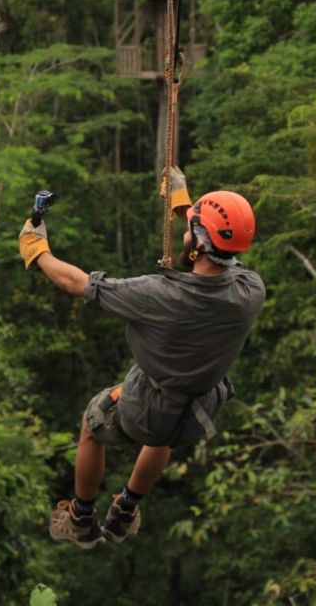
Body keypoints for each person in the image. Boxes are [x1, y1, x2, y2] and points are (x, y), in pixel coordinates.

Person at [18, 167, 265, 549]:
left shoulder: (158, 294)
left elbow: (75, 283)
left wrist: (37, 249)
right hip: (199, 408)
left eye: (190, 227)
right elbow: (213, 248)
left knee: (94, 418)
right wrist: (185, 204)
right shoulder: (251, 291)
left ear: (197, 241)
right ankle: (127, 509)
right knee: (162, 433)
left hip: (149, 406)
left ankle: (82, 517)